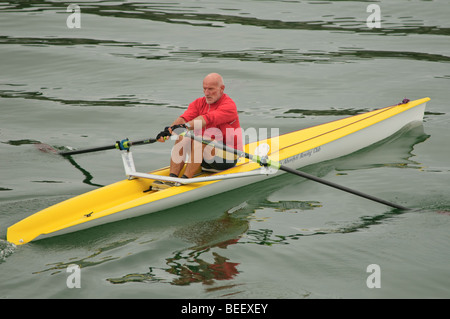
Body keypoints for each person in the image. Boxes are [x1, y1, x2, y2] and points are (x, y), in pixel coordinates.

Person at [156, 73, 242, 179]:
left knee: (200, 139)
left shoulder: (228, 106)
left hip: (226, 158)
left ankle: (185, 180)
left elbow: (206, 119)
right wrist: (169, 131)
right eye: (204, 89)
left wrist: (185, 127)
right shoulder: (198, 103)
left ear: (222, 88)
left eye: (211, 89)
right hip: (204, 154)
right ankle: (172, 178)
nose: (206, 93)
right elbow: (183, 119)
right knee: (182, 136)